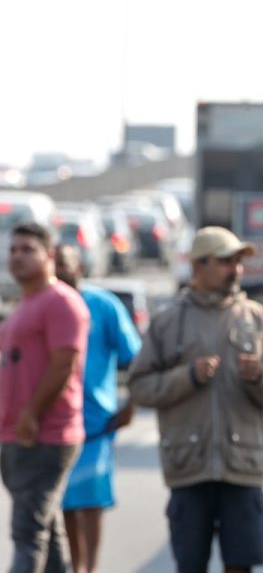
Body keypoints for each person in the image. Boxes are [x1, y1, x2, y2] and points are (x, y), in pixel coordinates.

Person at [127, 225, 263, 573]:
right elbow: (139, 386)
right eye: (225, 261)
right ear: (198, 266)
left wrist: (259, 376)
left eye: (238, 261)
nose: (235, 269)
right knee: (191, 565)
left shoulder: (257, 317)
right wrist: (187, 376)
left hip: (243, 469)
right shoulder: (167, 321)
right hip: (189, 469)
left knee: (241, 565)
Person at [0, 222, 90, 572]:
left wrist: (31, 413)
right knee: (45, 530)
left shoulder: (62, 302)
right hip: (18, 436)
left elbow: (63, 363)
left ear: (49, 256)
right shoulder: (23, 306)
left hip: (44, 435)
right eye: (13, 249)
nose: (18, 256)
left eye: (28, 250)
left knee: (27, 534)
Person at [54, 243, 142, 573]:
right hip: (57, 425)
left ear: (80, 267)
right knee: (63, 503)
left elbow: (136, 358)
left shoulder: (103, 306)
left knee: (90, 502)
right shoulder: (44, 306)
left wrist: (130, 406)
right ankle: (75, 566)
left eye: (66, 263)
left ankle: (89, 567)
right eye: (55, 264)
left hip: (95, 425)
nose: (60, 271)